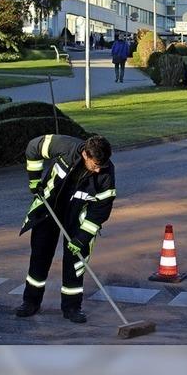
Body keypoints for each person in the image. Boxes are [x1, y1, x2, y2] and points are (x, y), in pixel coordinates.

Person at [15, 135, 116, 323]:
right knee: (40, 254)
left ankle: (72, 307)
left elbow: (102, 208)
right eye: (95, 165)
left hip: (78, 216)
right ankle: (30, 302)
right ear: (85, 154)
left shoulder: (107, 171)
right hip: (49, 209)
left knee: (75, 262)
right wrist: (34, 179)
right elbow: (33, 147)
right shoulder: (65, 146)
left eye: (101, 166)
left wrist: (82, 238)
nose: (98, 170)